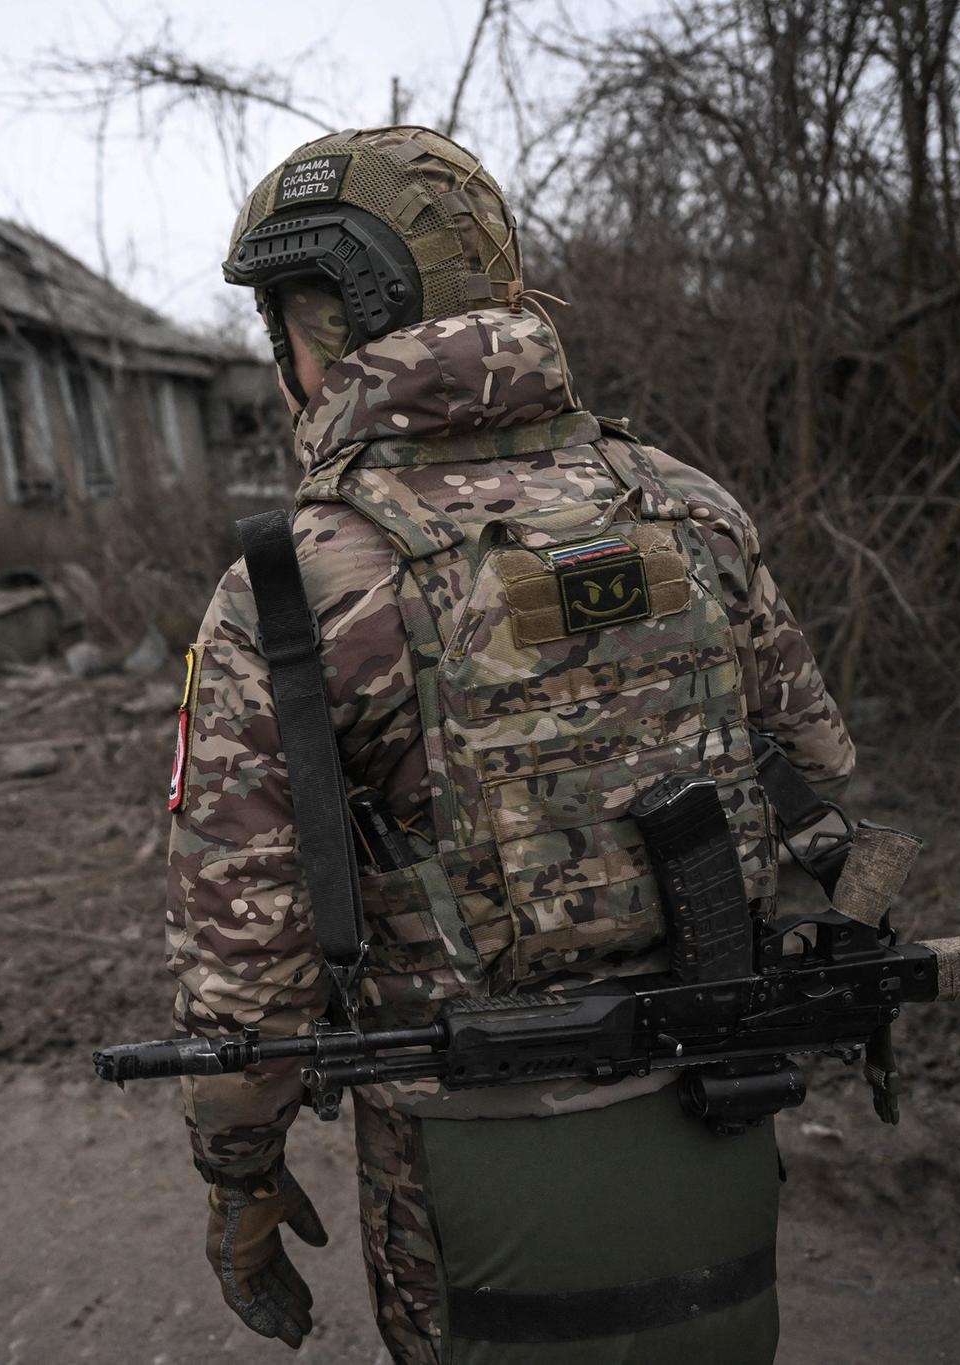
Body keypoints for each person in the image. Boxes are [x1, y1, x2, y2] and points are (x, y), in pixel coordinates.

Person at [162, 125, 856, 1364]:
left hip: (470, 1169)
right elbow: (821, 801)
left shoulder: (292, 589)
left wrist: (239, 1182)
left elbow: (243, 975)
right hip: (714, 1115)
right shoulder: (687, 507)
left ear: (310, 334)